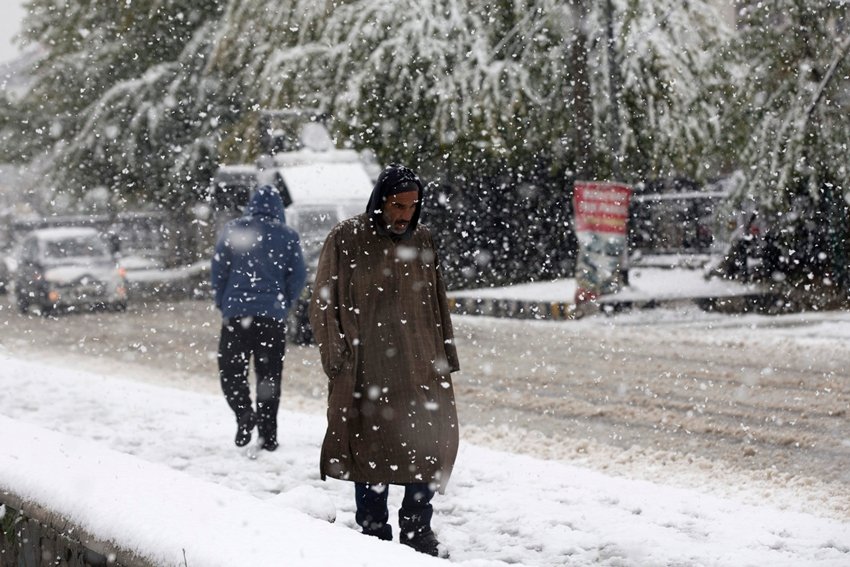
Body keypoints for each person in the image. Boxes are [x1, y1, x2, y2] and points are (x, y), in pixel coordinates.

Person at [309, 164, 460, 557]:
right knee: (371, 450)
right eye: (397, 205)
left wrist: (444, 354)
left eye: (412, 206)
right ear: (380, 201)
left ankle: (417, 530)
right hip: (368, 368)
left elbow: (437, 302)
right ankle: (374, 533)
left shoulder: (422, 239)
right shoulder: (347, 238)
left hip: (422, 365)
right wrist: (336, 358)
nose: (404, 214)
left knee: (429, 448)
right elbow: (323, 302)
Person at [211, 185, 307, 452]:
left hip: (236, 314)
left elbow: (218, 269)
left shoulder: (234, 230)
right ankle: (268, 437)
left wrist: (223, 301)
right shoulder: (288, 236)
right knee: (269, 378)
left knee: (231, 372)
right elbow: (298, 276)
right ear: (278, 209)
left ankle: (243, 412)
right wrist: (283, 302)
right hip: (271, 319)